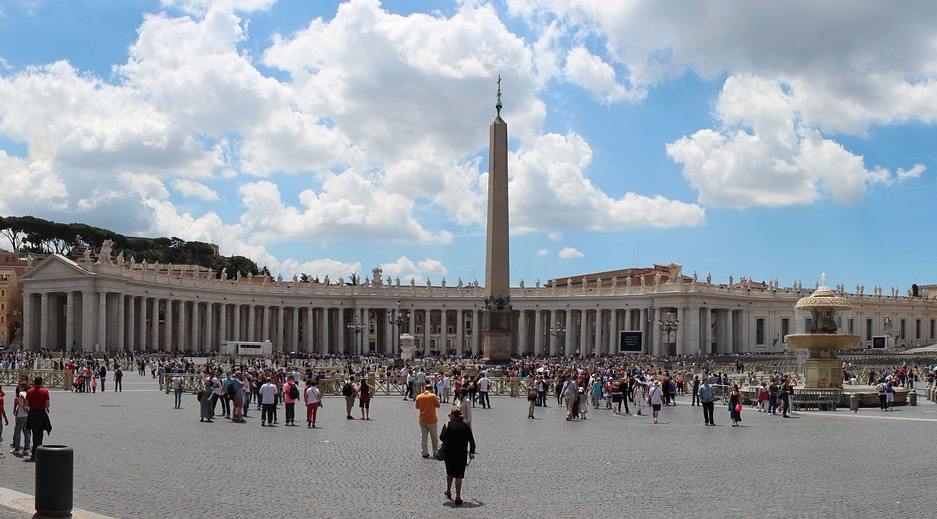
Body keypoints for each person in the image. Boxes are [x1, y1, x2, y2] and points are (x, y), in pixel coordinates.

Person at [439, 408, 476, 506]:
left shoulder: (448, 425)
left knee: (450, 473)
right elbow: (472, 441)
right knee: (459, 476)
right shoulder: (465, 426)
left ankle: (448, 490)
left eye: (449, 415)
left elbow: (442, 438)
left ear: (453, 416)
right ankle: (458, 497)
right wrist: (471, 452)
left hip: (449, 453)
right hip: (461, 454)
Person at [24, 377, 51, 462]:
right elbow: (47, 405)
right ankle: (37, 452)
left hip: (32, 413)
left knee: (34, 432)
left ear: (34, 382)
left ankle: (34, 452)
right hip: (41, 413)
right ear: (41, 382)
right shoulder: (45, 391)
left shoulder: (29, 391)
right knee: (39, 434)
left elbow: (26, 404)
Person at [415, 384, 441, 458]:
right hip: (431, 419)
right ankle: (435, 452)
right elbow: (438, 405)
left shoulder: (419, 396)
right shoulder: (432, 396)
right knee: (434, 437)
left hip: (422, 419)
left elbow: (417, 407)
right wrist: (438, 400)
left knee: (424, 437)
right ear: (431, 389)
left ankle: (424, 452)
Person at [10, 382, 30, 456]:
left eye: (19, 386)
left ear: (22, 387)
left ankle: (17, 448)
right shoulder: (27, 393)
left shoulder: (22, 393)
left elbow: (24, 398)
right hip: (26, 415)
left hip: (21, 415)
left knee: (17, 431)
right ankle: (26, 447)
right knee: (26, 431)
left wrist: (24, 405)